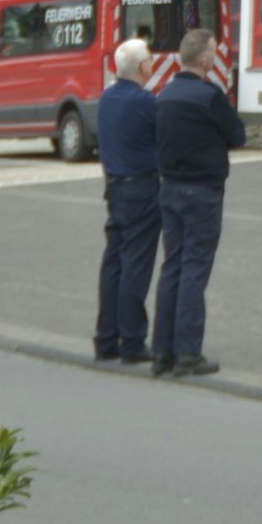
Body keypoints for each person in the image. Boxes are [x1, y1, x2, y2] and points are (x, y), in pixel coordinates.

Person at [151, 23, 247, 379]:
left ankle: (162, 352)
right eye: (214, 51)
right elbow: (237, 135)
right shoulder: (210, 96)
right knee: (194, 270)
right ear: (205, 58)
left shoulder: (163, 95)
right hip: (203, 192)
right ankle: (188, 353)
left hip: (169, 188)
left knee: (171, 267)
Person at [93, 37, 162, 366]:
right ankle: (133, 340)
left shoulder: (106, 98)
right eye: (150, 59)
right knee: (137, 264)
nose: (153, 63)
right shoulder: (145, 101)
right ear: (142, 67)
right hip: (142, 188)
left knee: (114, 263)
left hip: (115, 187)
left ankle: (106, 338)